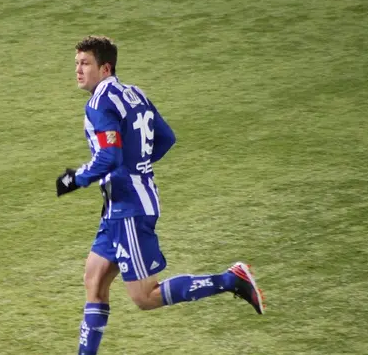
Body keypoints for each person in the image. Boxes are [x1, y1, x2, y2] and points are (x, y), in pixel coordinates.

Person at [55, 36, 265, 355]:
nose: (78, 70)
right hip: (120, 206)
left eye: (85, 63)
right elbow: (166, 139)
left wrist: (75, 178)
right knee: (94, 281)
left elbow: (109, 157)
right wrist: (136, 164)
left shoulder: (100, 103)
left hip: (130, 209)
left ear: (105, 67)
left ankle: (231, 279)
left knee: (145, 296)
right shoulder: (135, 93)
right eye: (76, 64)